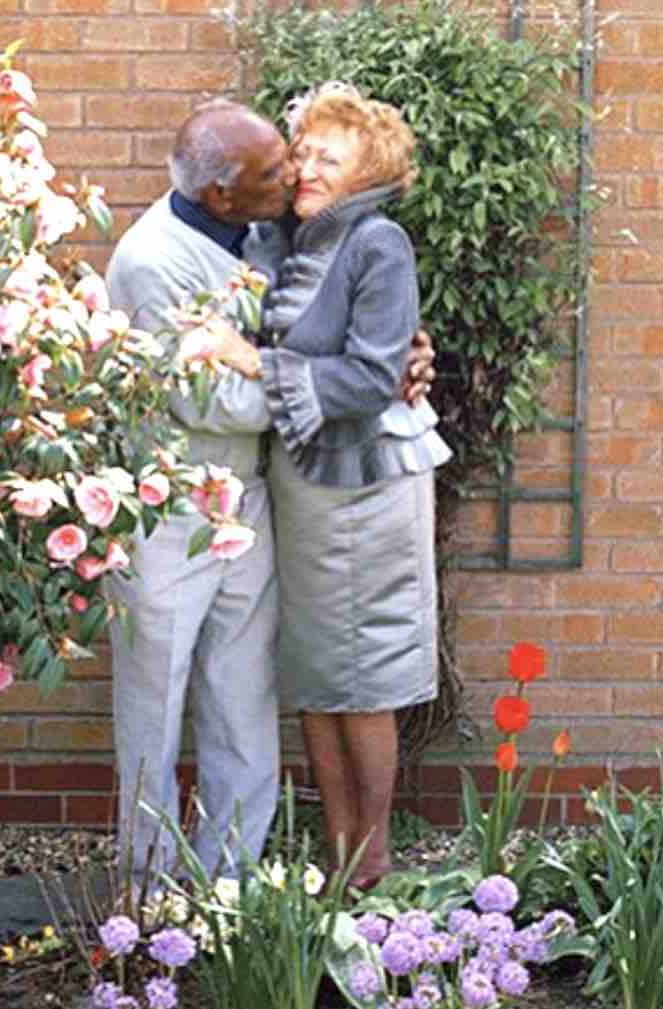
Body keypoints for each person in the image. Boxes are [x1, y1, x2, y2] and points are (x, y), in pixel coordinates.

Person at [104, 99, 437, 884]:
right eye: (279, 168)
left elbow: (337, 325)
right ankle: (149, 893)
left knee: (244, 701)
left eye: (304, 159)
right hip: (171, 507)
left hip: (253, 501)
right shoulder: (154, 261)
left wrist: (395, 361)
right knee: (154, 708)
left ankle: (231, 881)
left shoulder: (265, 233)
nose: (293, 173)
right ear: (221, 194)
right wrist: (355, 388)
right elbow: (206, 399)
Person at [212, 89, 451, 890]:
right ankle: (337, 841)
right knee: (317, 673)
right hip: (304, 486)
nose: (307, 167)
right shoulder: (280, 239)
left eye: (330, 158)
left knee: (367, 676)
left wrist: (255, 365)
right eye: (303, 151)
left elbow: (370, 376)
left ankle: (372, 848)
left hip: (369, 485)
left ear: (368, 175)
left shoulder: (379, 244)